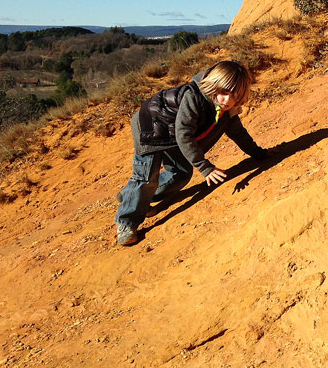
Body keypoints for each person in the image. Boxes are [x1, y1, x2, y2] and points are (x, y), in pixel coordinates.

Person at [114, 60, 267, 246]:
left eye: (234, 95)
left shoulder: (227, 109)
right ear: (214, 85)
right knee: (146, 176)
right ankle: (126, 221)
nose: (227, 100)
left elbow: (237, 133)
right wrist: (205, 167)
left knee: (181, 175)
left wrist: (259, 154)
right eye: (224, 93)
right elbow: (184, 133)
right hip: (151, 125)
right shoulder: (193, 97)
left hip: (173, 132)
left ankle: (134, 198)